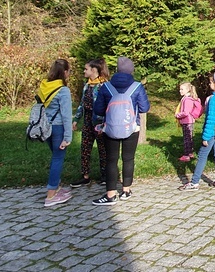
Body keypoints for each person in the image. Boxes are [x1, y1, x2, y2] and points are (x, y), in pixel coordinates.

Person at [92, 57, 150, 205]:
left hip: (110, 128)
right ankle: (126, 190)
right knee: (128, 158)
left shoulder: (106, 86)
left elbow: (98, 109)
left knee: (111, 160)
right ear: (131, 71)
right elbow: (144, 108)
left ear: (117, 70)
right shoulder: (137, 87)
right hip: (132, 128)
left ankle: (110, 195)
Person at [180, 71, 215, 190]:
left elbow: (211, 119)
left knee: (202, 155)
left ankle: (194, 182)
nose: (209, 84)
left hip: (213, 131)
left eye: (210, 82)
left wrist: (205, 137)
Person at [40, 59, 74, 207]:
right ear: (65, 72)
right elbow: (66, 115)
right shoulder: (63, 90)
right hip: (58, 128)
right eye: (69, 71)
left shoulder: (44, 85)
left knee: (55, 157)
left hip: (45, 127)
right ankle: (51, 195)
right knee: (57, 159)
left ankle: (57, 187)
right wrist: (68, 137)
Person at [71, 59, 109, 187]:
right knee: (85, 147)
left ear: (94, 70)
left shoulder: (104, 85)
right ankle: (85, 176)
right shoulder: (87, 85)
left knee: (103, 149)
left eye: (86, 69)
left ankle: (105, 175)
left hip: (100, 121)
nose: (84, 71)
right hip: (87, 120)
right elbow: (82, 103)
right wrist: (76, 119)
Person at [175, 82, 200, 162]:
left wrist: (178, 115)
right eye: (180, 89)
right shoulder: (188, 98)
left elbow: (186, 112)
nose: (180, 91)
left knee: (187, 139)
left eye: (182, 89)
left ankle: (186, 155)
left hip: (187, 121)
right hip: (190, 121)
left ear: (188, 90)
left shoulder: (187, 99)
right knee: (189, 138)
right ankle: (190, 153)